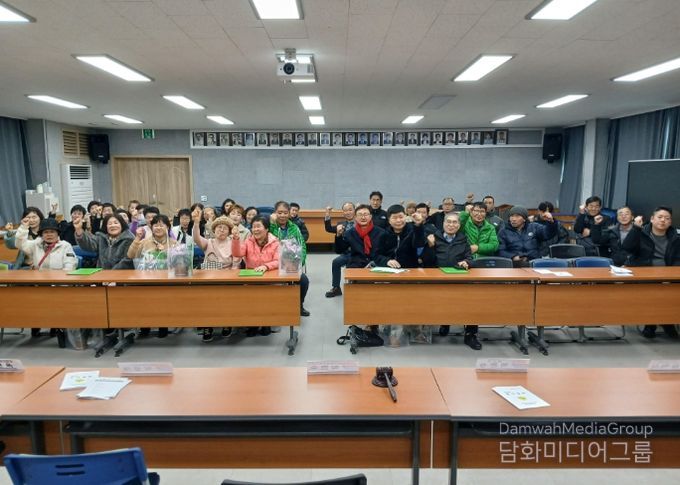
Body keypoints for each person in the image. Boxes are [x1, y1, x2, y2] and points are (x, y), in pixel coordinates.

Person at [15, 217, 78, 344]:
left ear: (57, 233)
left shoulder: (65, 246)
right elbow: (19, 244)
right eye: (46, 232)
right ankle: (36, 323)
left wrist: (57, 283)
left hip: (59, 286)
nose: (49, 235)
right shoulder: (36, 244)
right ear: (41, 234)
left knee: (54, 301)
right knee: (28, 298)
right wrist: (23, 228)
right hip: (39, 285)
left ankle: (56, 326)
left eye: (52, 232)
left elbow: (70, 266)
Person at [622, 207, 680, 339]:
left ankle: (666, 321)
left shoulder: (676, 237)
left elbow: (678, 259)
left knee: (671, 291)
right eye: (660, 217)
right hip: (644, 273)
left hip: (668, 274)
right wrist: (635, 228)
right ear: (652, 219)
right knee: (653, 290)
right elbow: (627, 247)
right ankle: (653, 323)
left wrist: (672, 274)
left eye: (667, 218)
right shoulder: (641, 233)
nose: (663, 220)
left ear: (670, 222)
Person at [424, 213, 480, 349]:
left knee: (472, 301)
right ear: (443, 224)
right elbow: (426, 261)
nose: (451, 225)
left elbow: (470, 258)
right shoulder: (433, 238)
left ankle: (470, 334)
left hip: (458, 280)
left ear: (459, 225)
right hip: (437, 280)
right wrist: (429, 246)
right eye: (448, 222)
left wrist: (466, 262)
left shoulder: (463, 239)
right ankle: (445, 322)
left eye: (455, 222)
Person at [192, 210, 241, 341]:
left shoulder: (233, 242)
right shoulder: (209, 242)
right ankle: (207, 326)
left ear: (229, 231)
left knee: (227, 301)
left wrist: (230, 279)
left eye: (225, 228)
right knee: (206, 302)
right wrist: (196, 223)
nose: (222, 230)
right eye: (219, 227)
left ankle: (227, 324)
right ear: (214, 230)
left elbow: (236, 263)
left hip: (227, 279)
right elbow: (196, 238)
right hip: (209, 279)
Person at [127, 214, 177, 338]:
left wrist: (165, 253)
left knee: (163, 304)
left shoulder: (174, 243)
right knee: (145, 304)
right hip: (146, 280)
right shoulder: (144, 242)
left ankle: (163, 327)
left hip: (166, 282)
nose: (158, 228)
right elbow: (130, 255)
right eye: (155, 225)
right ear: (151, 227)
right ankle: (145, 327)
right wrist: (137, 239)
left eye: (162, 225)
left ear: (168, 227)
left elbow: (179, 263)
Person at [232, 215, 280, 336]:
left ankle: (266, 324)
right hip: (252, 278)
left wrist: (266, 266)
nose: (256, 229)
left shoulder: (275, 242)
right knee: (251, 301)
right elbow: (237, 253)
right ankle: (253, 325)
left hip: (269, 278)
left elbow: (278, 261)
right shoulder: (248, 241)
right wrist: (236, 239)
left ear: (267, 228)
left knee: (266, 300)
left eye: (259, 226)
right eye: (253, 227)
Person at [269, 201, 310, 317]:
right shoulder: (270, 226)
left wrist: (299, 262)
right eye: (279, 213)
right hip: (272, 264)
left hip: (290, 264)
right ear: (275, 213)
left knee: (304, 281)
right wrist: (272, 223)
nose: (282, 215)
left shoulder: (294, 228)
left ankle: (299, 305)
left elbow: (302, 246)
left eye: (285, 213)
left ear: (289, 213)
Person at [375, 205, 426, 269]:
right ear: (389, 220)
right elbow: (377, 255)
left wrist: (418, 225)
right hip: (389, 269)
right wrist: (387, 261)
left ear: (405, 217)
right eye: (394, 218)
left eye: (401, 217)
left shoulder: (413, 230)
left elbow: (419, 244)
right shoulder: (384, 234)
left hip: (410, 269)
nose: (398, 220)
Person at [324, 203, 355, 297]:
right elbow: (328, 228)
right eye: (345, 210)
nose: (348, 212)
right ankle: (336, 288)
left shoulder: (361, 222)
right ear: (343, 213)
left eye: (350, 209)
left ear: (355, 211)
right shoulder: (340, 224)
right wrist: (327, 214)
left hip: (359, 253)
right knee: (336, 262)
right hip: (347, 253)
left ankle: (355, 287)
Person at [344, 204, 385, 268]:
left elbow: (385, 252)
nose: (363, 217)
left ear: (370, 216)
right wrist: (338, 236)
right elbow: (340, 250)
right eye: (360, 215)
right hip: (356, 266)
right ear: (355, 217)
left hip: (376, 265)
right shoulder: (349, 233)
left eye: (365, 214)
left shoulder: (381, 232)